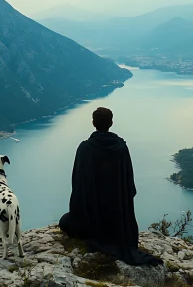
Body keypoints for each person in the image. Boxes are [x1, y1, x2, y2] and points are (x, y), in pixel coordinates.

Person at [59, 107, 163, 266]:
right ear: (111, 123)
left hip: (92, 218)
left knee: (65, 222)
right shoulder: (121, 147)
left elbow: (78, 184)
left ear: (93, 123)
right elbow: (129, 183)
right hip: (118, 218)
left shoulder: (85, 148)